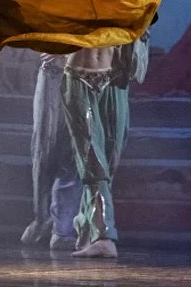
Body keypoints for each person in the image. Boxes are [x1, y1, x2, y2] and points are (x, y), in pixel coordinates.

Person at [60, 36, 149, 259]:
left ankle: (85, 222)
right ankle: (103, 236)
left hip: (115, 79)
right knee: (93, 158)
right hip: (79, 77)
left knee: (110, 160)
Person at [20, 52, 80, 250]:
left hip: (80, 76)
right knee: (45, 151)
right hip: (54, 75)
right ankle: (43, 220)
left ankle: (61, 228)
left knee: (72, 155)